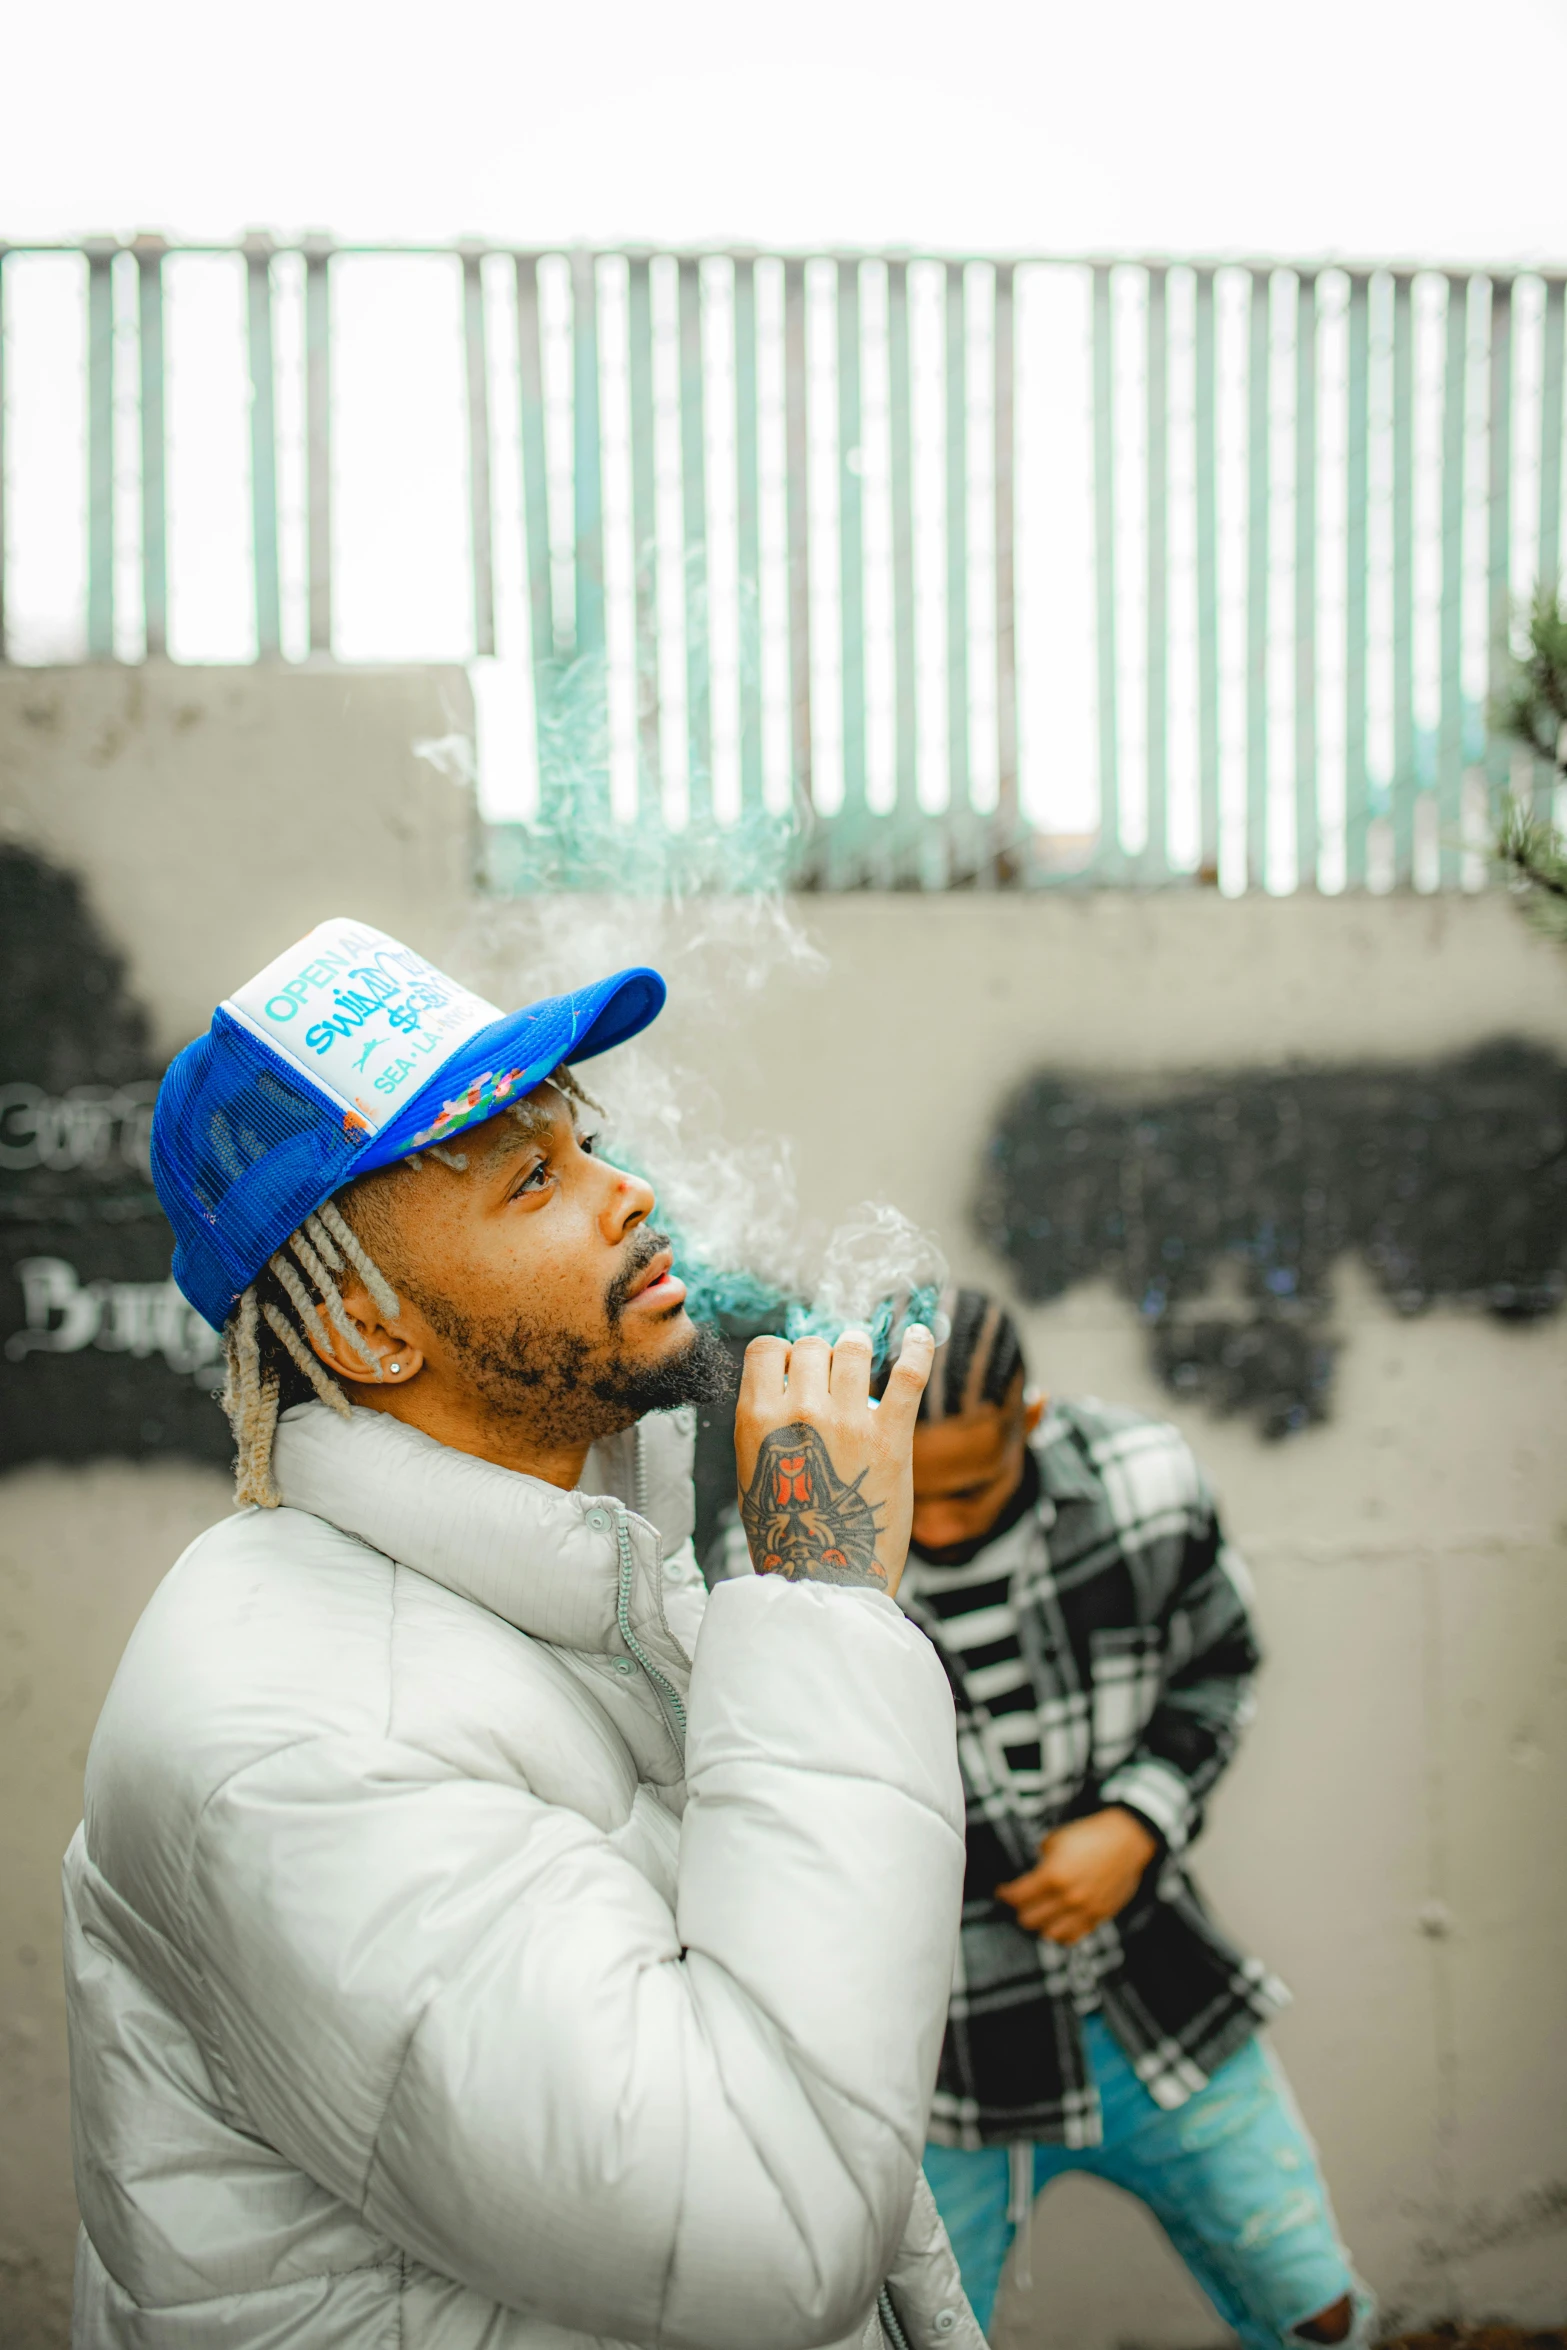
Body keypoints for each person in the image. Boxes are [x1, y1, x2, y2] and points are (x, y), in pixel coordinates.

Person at [62, 915, 986, 2350]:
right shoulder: (298, 1745)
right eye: (531, 1178)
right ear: (366, 1333)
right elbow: (766, 2221)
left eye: (590, 1144)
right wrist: (817, 1600)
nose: (626, 1195)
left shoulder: (579, 1572)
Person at [890, 1288, 1374, 2349]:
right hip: (941, 2057)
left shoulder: (1144, 1484)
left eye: (969, 1489)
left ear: (1031, 1418)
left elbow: (1220, 1667)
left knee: (1319, 2312)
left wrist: (1139, 1821)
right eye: (909, 1489)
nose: (934, 1524)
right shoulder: (798, 1549)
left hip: (1150, 1997)